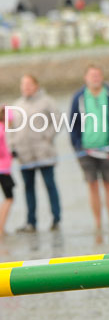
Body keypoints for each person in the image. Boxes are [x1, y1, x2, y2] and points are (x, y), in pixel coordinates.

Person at [69, 64, 109, 242]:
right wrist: (77, 145)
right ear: (85, 78)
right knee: (92, 185)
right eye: (92, 75)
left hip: (107, 148)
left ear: (102, 77)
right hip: (85, 149)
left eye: (98, 75)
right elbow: (73, 123)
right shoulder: (78, 97)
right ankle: (98, 222)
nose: (95, 78)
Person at [9, 74, 61, 232]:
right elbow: (10, 129)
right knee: (28, 188)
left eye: (29, 84)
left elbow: (58, 121)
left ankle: (56, 219)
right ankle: (31, 222)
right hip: (25, 156)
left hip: (44, 153)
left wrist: (47, 137)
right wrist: (13, 146)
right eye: (23, 84)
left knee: (49, 185)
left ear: (36, 85)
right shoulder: (16, 105)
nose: (26, 87)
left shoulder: (47, 102)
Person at [0, 106, 15, 236]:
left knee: (8, 198)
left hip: (5, 169)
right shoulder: (2, 130)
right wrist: (10, 154)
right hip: (3, 170)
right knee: (9, 198)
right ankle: (0, 228)